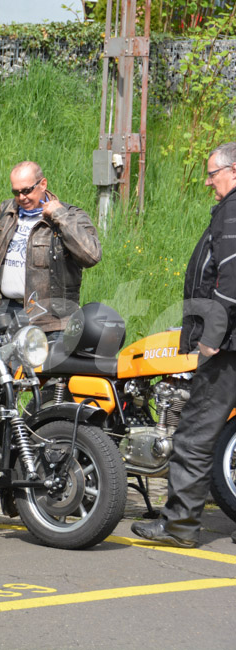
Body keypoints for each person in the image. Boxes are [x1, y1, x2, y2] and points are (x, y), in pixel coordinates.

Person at [132, 142, 236, 548]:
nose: (208, 182)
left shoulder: (232, 211)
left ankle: (179, 525)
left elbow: (230, 279)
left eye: (213, 174)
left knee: (194, 434)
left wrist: (210, 337)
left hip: (228, 348)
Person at [0, 161, 102, 337]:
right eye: (16, 192)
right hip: (7, 313)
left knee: (50, 358)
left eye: (27, 190)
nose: (22, 197)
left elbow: (91, 255)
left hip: (51, 321)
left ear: (43, 184)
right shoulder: (7, 210)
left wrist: (60, 216)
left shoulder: (71, 215)